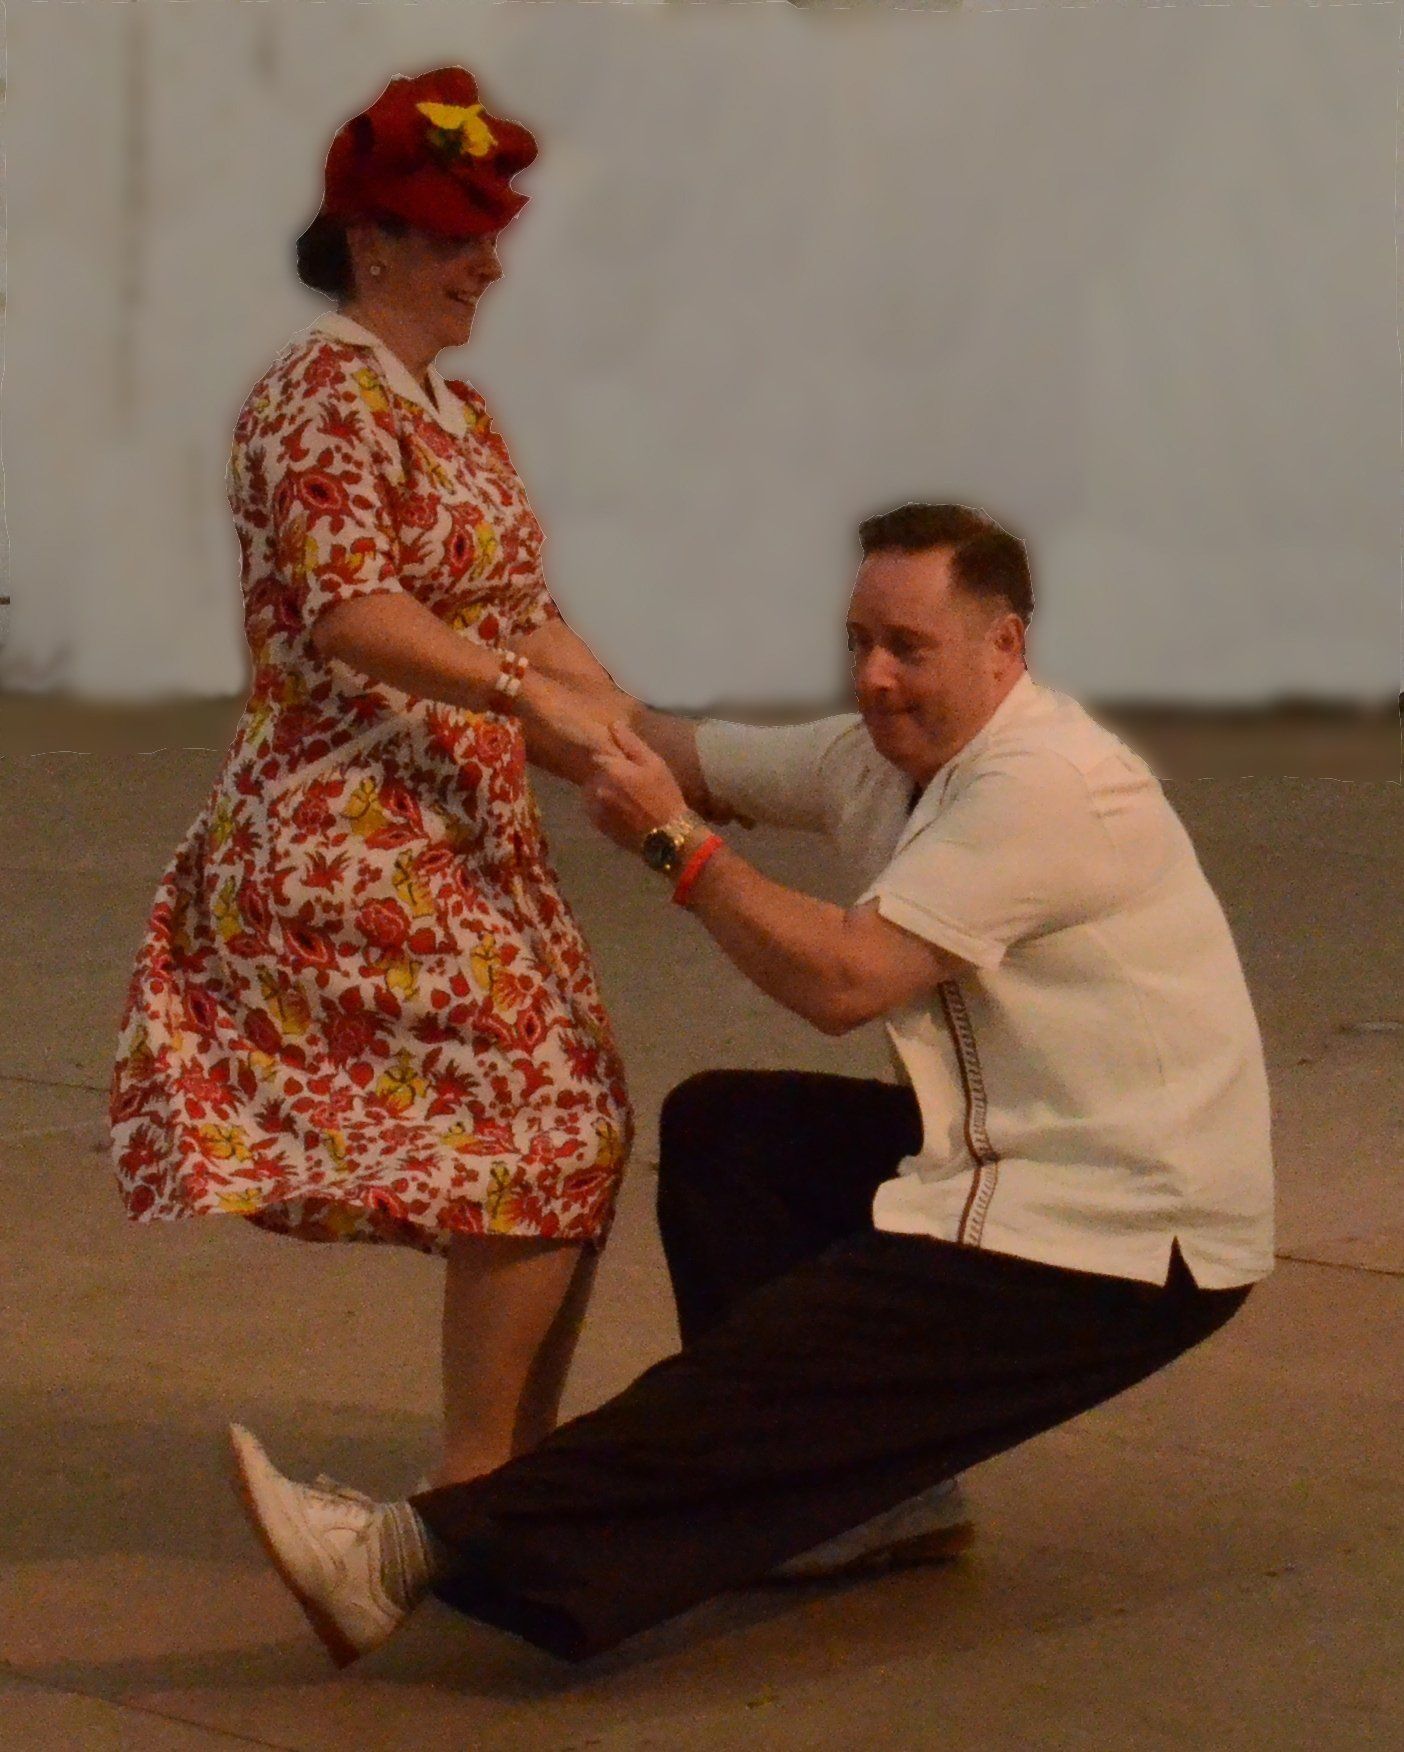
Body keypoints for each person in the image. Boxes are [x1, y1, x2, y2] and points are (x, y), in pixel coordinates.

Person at [228, 502, 1274, 1667]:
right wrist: (503, 637)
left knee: (777, 1378)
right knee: (733, 1134)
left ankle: (401, 1559)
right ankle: (867, 1508)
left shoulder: (1046, 785)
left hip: (1127, 1228)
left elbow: (844, 979)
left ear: (1005, 648)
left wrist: (677, 846)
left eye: (908, 648)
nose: (873, 678)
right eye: (859, 642)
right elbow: (655, 746)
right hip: (1019, 1146)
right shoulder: (877, 758)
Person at [110, 67, 643, 1493]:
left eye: (488, 239)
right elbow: (354, 611)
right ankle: (479, 1490)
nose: (487, 266)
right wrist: (530, 700)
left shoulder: (458, 414)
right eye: (459, 239)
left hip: (456, 834)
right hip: (348, 835)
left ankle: (510, 1480)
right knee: (545, 1126)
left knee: (577, 1122)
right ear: (374, 246)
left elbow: (520, 610)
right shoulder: (317, 399)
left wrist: (631, 732)